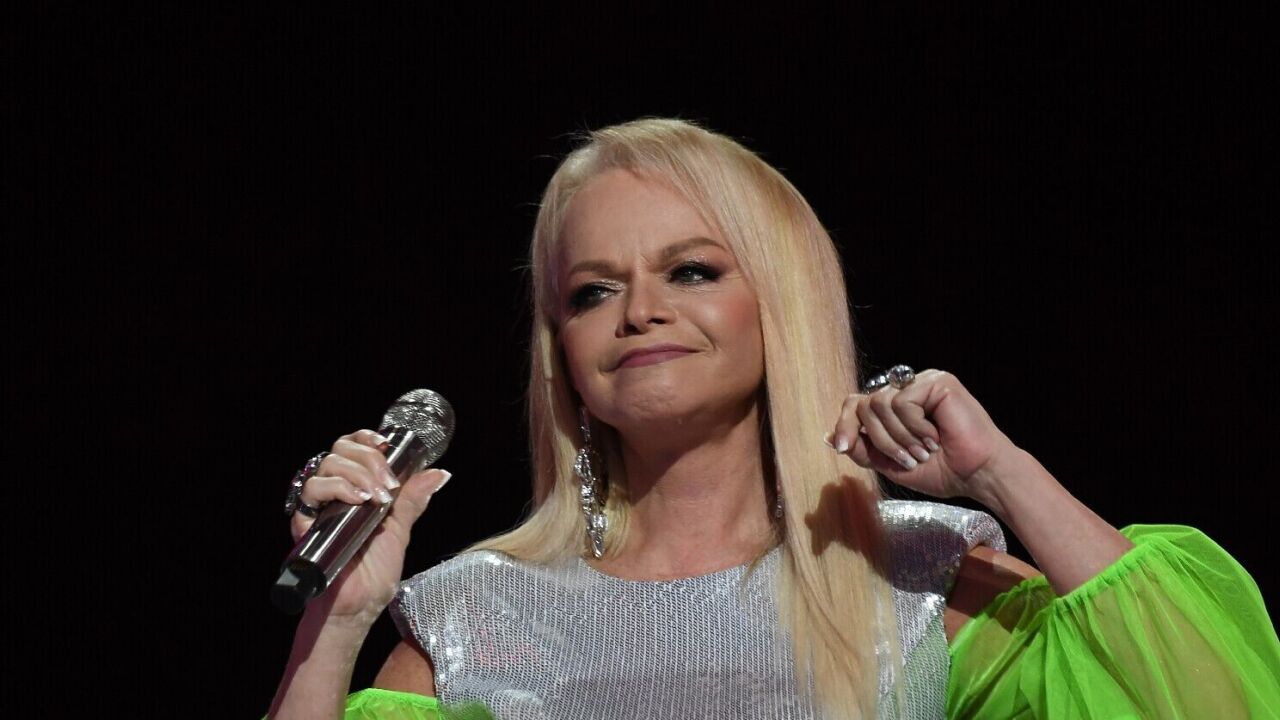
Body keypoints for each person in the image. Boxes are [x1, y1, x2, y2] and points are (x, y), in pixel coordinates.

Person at [266, 119, 1280, 719]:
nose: (638, 312)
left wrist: (1001, 474)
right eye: (591, 291)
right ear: (561, 351)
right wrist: (336, 620)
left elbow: (1206, 700)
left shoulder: (916, 585)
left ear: (780, 306)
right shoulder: (475, 619)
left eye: (690, 271)